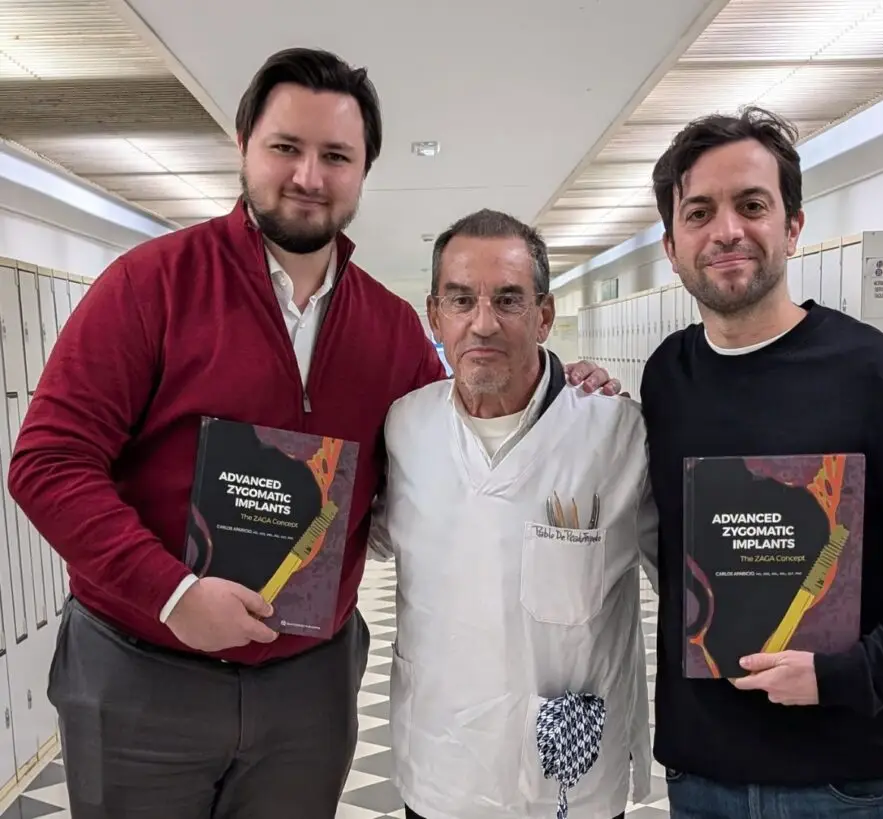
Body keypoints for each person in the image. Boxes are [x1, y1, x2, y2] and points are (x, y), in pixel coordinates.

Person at [6, 48, 618, 819]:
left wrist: (562, 386)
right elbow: (48, 462)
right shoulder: (150, 284)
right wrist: (172, 594)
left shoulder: (389, 327)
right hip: (144, 670)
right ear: (243, 146)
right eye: (286, 147)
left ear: (363, 171)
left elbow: (453, 444)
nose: (308, 176)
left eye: (336, 155)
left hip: (306, 687)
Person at [640, 105, 883, 819]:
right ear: (672, 245)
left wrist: (847, 673)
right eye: (700, 212)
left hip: (847, 783)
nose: (727, 230)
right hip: (699, 775)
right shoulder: (668, 377)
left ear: (793, 226)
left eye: (752, 205)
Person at [367, 208, 658, 819]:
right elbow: (359, 538)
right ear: (434, 315)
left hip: (571, 767)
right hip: (441, 759)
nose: (483, 323)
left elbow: (692, 582)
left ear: (543, 315)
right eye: (461, 300)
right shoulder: (404, 425)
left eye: (508, 300)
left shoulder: (616, 431)